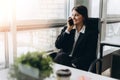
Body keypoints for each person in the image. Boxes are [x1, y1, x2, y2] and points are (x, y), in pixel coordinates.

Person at [54, 5, 98, 71]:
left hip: (77, 63)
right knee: (60, 56)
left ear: (83, 17)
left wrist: (73, 64)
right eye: (72, 15)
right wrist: (68, 30)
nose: (73, 18)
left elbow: (90, 54)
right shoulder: (68, 28)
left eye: (76, 15)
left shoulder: (90, 33)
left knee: (61, 58)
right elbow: (58, 45)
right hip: (64, 60)